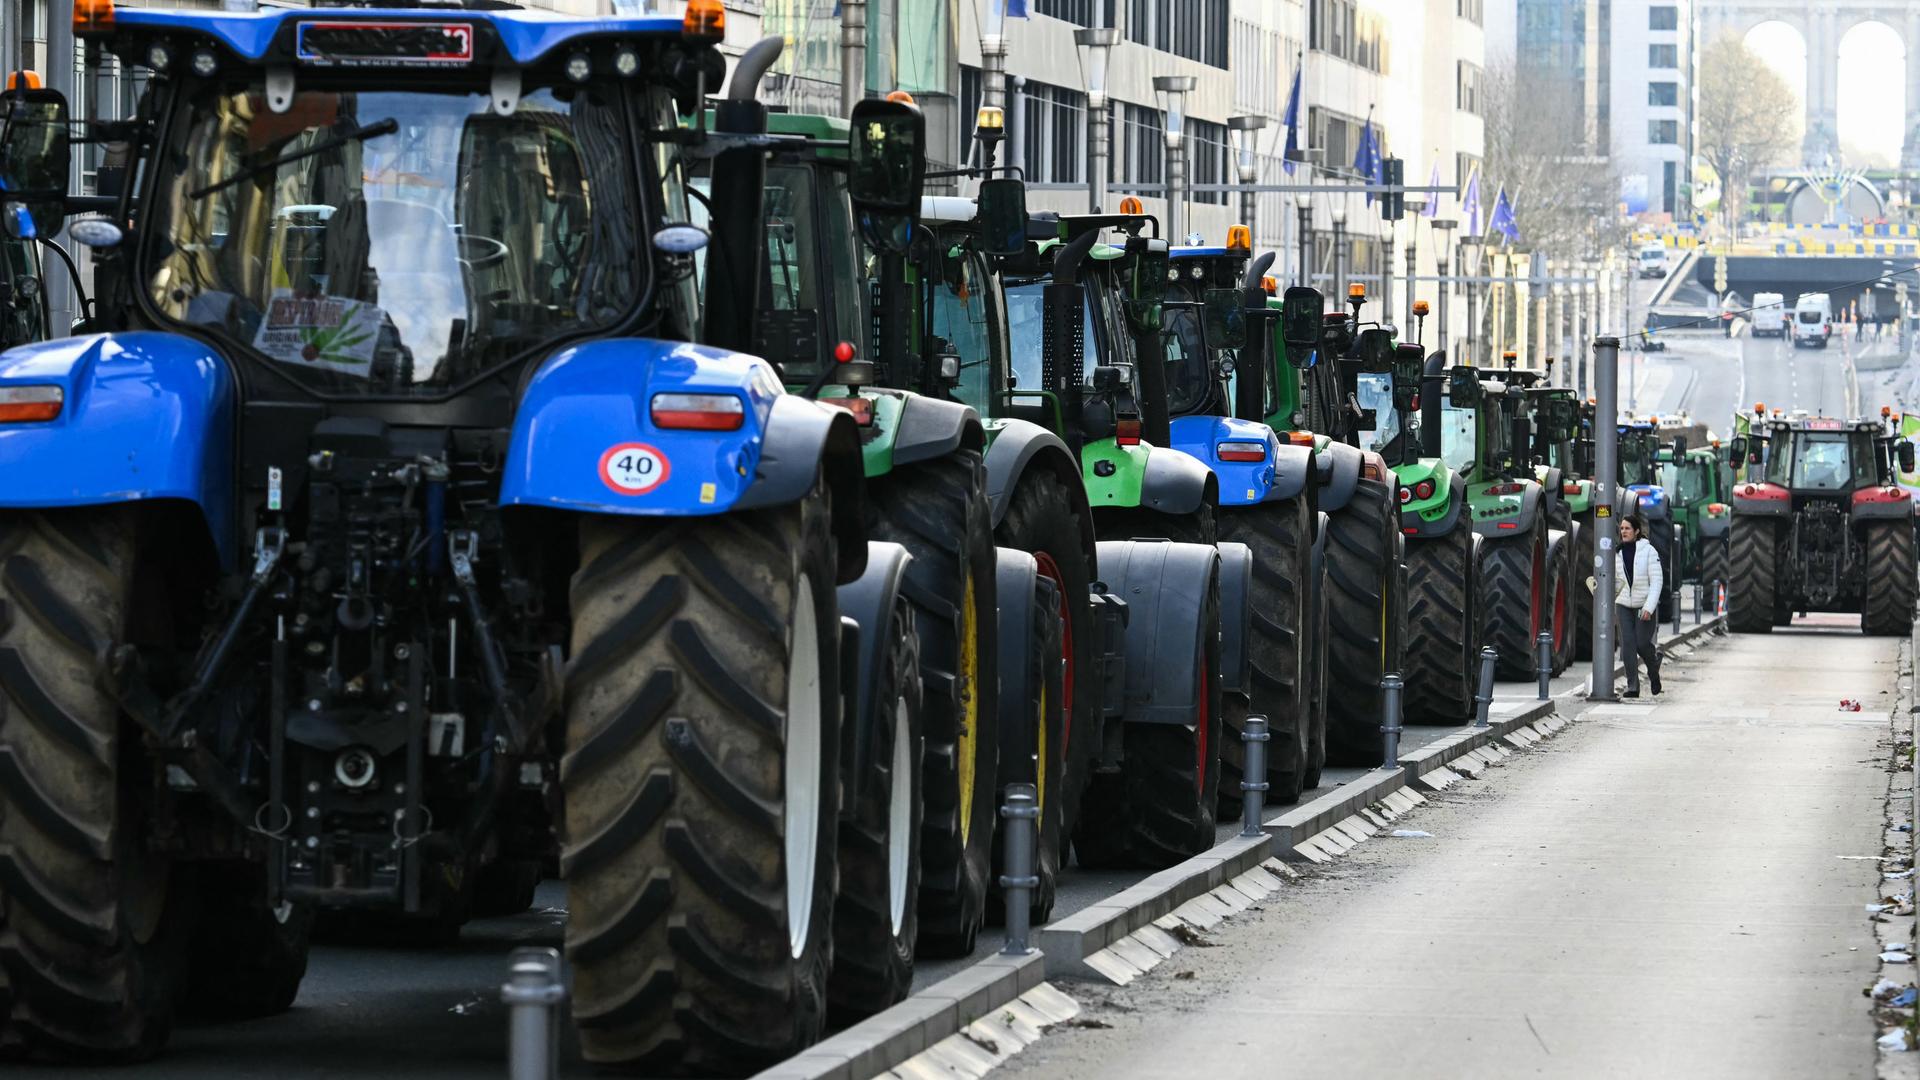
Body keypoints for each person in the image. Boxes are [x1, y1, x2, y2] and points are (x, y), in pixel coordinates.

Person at [1615, 514, 1665, 698]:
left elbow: (1657, 581)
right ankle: (1633, 687)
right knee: (1627, 645)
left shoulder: (1649, 551)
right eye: (1621, 529)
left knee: (1642, 643)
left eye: (1627, 528)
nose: (1624, 532)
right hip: (1623, 605)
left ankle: (1653, 670)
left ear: (1636, 531)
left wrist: (1648, 608)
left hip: (1643, 605)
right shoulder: (1617, 553)